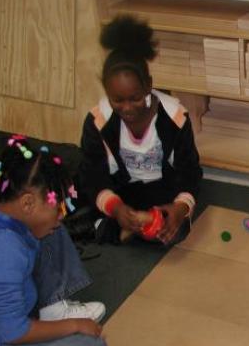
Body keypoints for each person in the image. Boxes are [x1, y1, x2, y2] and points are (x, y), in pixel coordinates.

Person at [0, 136, 111, 346]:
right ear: (27, 202)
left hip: (9, 300)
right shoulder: (3, 248)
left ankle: (51, 306)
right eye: (57, 208)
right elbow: (12, 332)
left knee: (50, 229)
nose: (61, 216)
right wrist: (74, 325)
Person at [77, 15, 203, 246]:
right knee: (82, 188)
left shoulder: (175, 117)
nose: (126, 108)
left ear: (149, 85)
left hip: (162, 188)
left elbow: (190, 171)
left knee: (175, 226)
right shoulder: (97, 120)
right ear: (106, 90)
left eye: (135, 98)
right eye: (117, 100)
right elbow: (93, 173)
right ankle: (122, 225)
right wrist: (116, 208)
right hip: (121, 188)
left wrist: (178, 208)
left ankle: (124, 229)